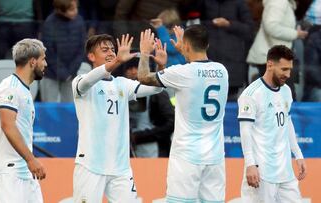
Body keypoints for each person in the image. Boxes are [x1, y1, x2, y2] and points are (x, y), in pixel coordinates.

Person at [137, 25, 229, 202]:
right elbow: (198, 73)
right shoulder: (222, 71)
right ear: (207, 45)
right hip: (214, 157)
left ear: (186, 45)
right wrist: (185, 51)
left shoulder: (181, 72)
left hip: (187, 156)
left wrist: (144, 53)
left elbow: (143, 77)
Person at [71, 33, 164, 202]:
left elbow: (155, 89)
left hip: (120, 168)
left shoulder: (122, 83)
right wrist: (117, 61)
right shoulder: (80, 81)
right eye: (104, 50)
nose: (111, 53)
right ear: (91, 56)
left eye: (113, 49)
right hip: (90, 166)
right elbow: (86, 82)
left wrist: (158, 67)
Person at [238, 45, 306, 203]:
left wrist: (298, 154)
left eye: (290, 69)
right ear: (270, 65)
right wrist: (250, 164)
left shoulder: (286, 91)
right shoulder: (251, 94)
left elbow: (287, 123)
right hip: (262, 172)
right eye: (284, 69)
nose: (288, 74)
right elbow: (245, 131)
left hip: (285, 171)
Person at [0, 39, 47, 203]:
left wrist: (28, 161)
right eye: (43, 59)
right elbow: (8, 125)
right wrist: (31, 159)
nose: (45, 64)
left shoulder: (24, 90)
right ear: (33, 61)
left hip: (25, 172)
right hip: (8, 171)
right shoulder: (10, 87)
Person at [246, 0, 308, 99]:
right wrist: (296, 34)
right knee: (283, 98)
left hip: (277, 58)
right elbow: (271, 26)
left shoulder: (284, 3)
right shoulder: (279, 1)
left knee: (281, 98)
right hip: (273, 58)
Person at [123, 57, 175, 157]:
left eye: (136, 67)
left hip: (155, 151)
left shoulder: (158, 94)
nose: (133, 71)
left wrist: (139, 136)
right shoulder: (121, 93)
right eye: (130, 68)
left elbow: (171, 123)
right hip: (129, 151)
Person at [40, 0, 87, 102]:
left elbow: (82, 48)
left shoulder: (79, 21)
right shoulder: (49, 23)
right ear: (60, 10)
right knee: (50, 108)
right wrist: (64, 73)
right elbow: (48, 52)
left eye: (76, 8)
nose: (76, 11)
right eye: (71, 9)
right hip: (51, 74)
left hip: (72, 73)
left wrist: (71, 72)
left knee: (70, 107)